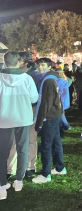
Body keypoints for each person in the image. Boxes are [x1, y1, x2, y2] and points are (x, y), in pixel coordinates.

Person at [0, 52, 38, 200]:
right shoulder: (27, 79)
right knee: (23, 150)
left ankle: (2, 187)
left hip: (4, 121)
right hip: (23, 120)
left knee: (2, 154)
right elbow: (34, 98)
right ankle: (19, 181)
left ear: (4, 62)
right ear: (18, 62)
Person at [32, 58, 67, 184]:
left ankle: (45, 174)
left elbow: (46, 104)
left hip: (49, 117)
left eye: (43, 65)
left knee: (46, 146)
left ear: (49, 66)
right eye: (39, 65)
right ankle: (60, 167)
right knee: (56, 142)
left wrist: (40, 121)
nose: (40, 67)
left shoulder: (48, 81)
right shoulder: (53, 78)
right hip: (55, 115)